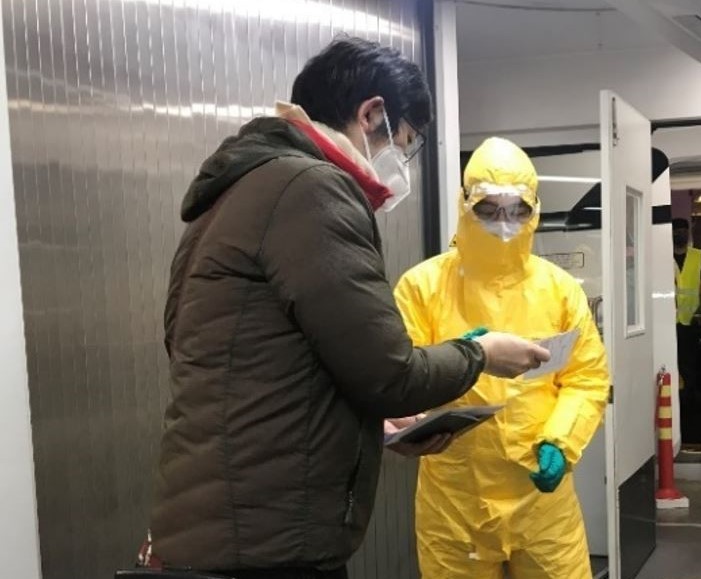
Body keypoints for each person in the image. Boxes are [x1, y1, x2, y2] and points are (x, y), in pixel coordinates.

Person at [146, 38, 550, 579]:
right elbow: (392, 374)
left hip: (209, 529)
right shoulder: (313, 189)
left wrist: (372, 421)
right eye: (403, 145)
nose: (400, 166)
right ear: (371, 114)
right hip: (268, 544)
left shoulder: (235, 193)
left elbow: (242, 359)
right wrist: (480, 354)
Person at [393, 137, 610, 579]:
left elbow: (586, 378)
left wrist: (560, 442)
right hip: (456, 498)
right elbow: (401, 381)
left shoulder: (559, 289)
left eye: (518, 210)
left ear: (535, 210)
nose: (504, 225)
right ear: (465, 206)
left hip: (541, 498)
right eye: (489, 210)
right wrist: (459, 360)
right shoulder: (422, 287)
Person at [673, 218, 701, 404]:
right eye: (676, 231)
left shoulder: (698, 255)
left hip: (692, 319)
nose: (680, 234)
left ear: (688, 233)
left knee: (690, 361)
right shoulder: (663, 256)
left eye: (683, 231)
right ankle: (677, 397)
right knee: (673, 361)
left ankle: (689, 398)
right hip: (670, 321)